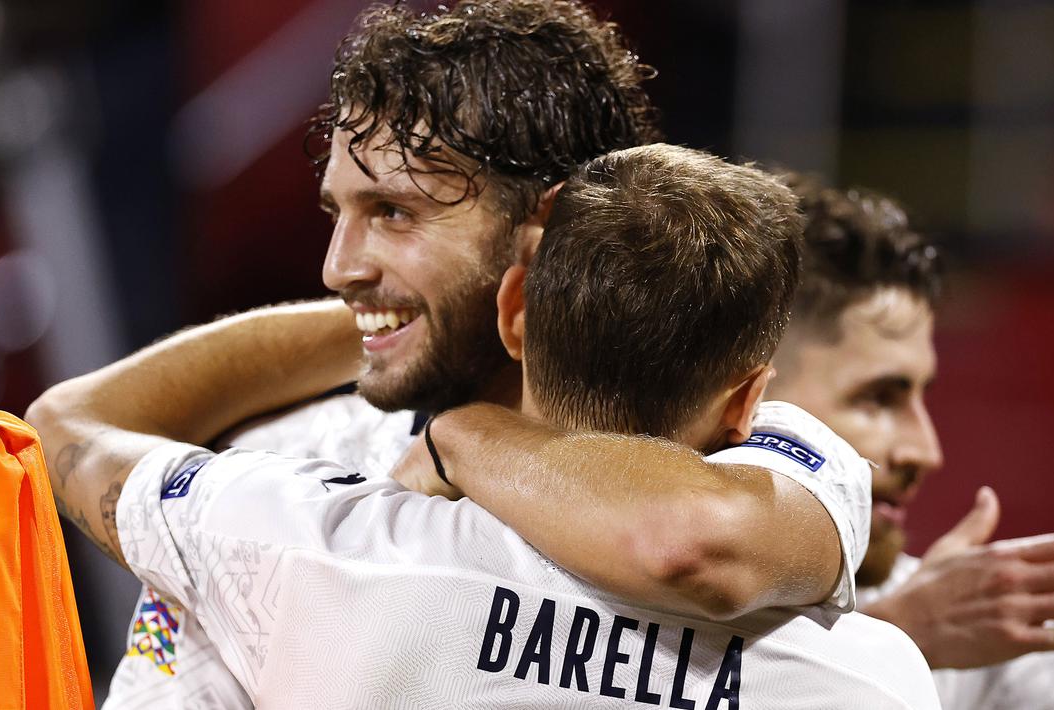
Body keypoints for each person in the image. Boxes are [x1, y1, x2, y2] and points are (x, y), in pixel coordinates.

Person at [87, 2, 872, 706]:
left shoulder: (777, 457)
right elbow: (60, 428)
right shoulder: (280, 467)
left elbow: (696, 542)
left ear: (545, 231)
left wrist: (461, 437)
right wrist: (389, 316)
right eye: (339, 213)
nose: (337, 268)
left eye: (394, 212)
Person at [767, 173, 1054, 709]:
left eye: (922, 395)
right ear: (745, 396)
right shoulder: (610, 589)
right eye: (879, 397)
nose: (926, 451)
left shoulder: (964, 617)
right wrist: (902, 637)